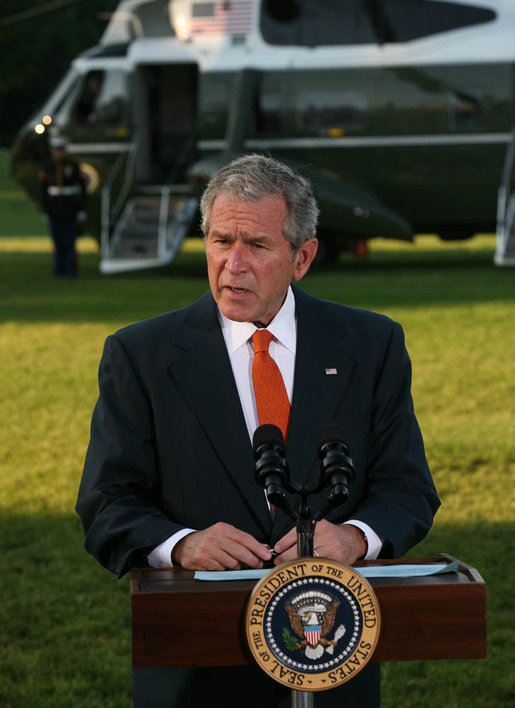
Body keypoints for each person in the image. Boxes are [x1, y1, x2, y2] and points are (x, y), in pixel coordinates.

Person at [76, 154, 440, 707]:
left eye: (258, 246)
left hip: (331, 657)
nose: (233, 264)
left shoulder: (371, 345)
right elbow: (106, 502)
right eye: (221, 241)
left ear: (303, 257)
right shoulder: (140, 355)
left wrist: (355, 537)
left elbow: (407, 489)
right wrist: (181, 545)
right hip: (195, 671)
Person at [39, 136, 87, 278]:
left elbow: (82, 188)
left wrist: (81, 209)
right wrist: (45, 210)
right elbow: (44, 190)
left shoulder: (73, 166)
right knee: (57, 241)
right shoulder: (47, 167)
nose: (58, 153)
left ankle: (71, 271)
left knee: (70, 241)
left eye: (61, 150)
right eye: (56, 150)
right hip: (54, 209)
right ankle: (59, 271)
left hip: (70, 208)